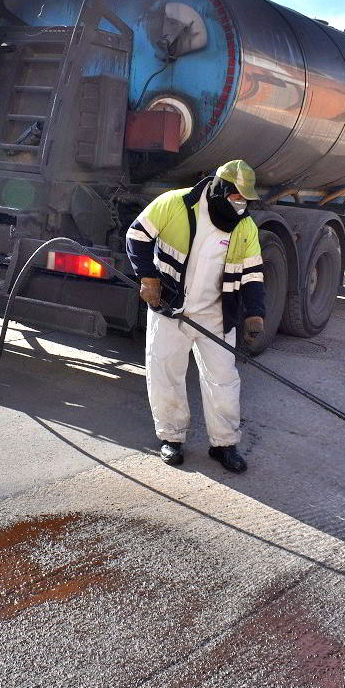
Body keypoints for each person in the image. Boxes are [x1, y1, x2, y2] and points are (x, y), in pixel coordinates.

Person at [125, 160, 266, 473]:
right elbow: (136, 236)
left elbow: (253, 275)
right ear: (219, 190)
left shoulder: (245, 227)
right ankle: (171, 439)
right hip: (170, 309)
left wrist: (255, 314)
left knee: (224, 379)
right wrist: (148, 278)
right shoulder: (175, 204)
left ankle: (224, 444)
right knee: (165, 373)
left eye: (247, 200)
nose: (242, 206)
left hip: (217, 314)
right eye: (237, 198)